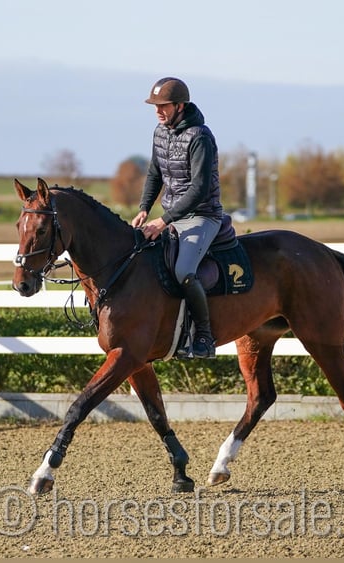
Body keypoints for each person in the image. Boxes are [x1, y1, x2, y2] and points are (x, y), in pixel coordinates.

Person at [131, 77, 223, 359]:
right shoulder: (160, 132)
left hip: (202, 216)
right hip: (171, 216)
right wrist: (145, 207)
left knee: (183, 271)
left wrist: (163, 221)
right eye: (155, 106)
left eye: (163, 106)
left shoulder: (200, 137)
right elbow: (154, 174)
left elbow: (199, 188)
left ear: (180, 106)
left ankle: (204, 338)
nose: (158, 111)